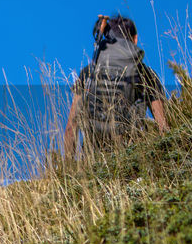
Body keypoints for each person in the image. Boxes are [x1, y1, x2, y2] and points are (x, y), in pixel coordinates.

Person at [63, 14, 169, 155]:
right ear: (135, 39)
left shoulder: (89, 72)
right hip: (131, 157)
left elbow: (72, 127)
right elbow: (162, 126)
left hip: (92, 159)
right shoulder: (145, 73)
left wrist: (67, 172)